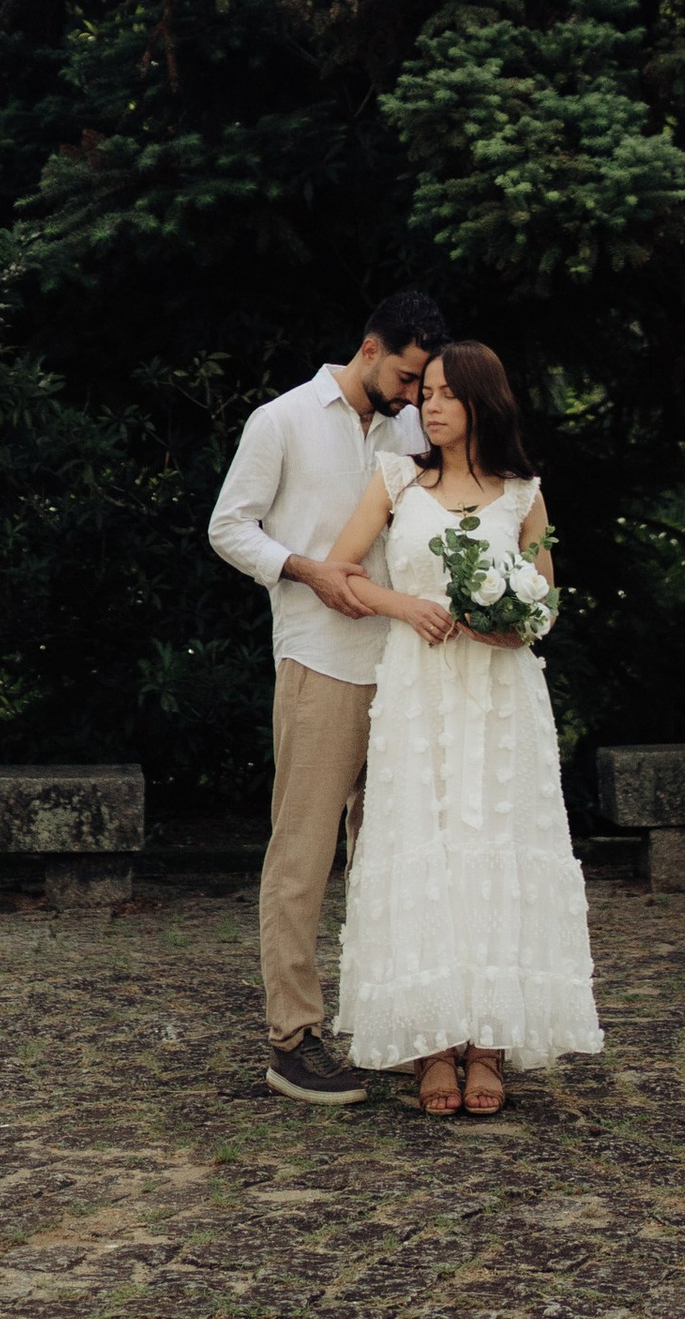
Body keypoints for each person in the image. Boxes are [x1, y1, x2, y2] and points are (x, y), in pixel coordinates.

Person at [323, 339, 604, 1117]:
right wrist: (404, 606)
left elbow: (546, 598)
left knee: (494, 848)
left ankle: (489, 1045)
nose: (428, 404)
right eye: (425, 393)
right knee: (429, 850)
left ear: (482, 401)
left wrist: (514, 625)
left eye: (445, 393)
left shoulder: (523, 494)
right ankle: (431, 1048)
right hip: (420, 693)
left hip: (500, 699)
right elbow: (339, 571)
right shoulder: (397, 482)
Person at [206, 288, 449, 1105]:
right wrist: (307, 571)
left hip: (406, 667)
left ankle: (393, 1026)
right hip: (319, 659)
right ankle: (293, 1040)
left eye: (423, 384)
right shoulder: (280, 420)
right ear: (372, 348)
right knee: (303, 856)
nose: (415, 395)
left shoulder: (410, 430)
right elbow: (228, 527)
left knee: (391, 860)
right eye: (409, 377)